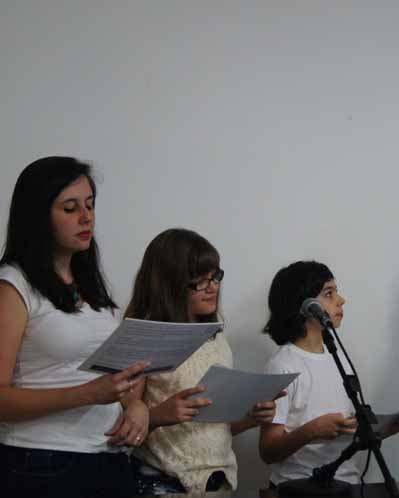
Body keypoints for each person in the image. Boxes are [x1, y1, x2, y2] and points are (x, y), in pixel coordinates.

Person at [0, 156, 150, 496]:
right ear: (38, 216)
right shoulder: (13, 285)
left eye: (90, 205)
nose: (86, 217)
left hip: (108, 457)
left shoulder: (91, 285)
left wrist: (136, 407)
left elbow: (114, 380)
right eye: (70, 208)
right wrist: (85, 394)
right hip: (42, 460)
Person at [125, 228, 280, 494]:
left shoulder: (217, 339)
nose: (212, 287)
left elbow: (215, 427)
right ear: (169, 282)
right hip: (164, 484)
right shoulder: (147, 338)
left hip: (219, 482)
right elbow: (121, 429)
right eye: (199, 280)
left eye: (215, 276)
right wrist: (158, 416)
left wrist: (251, 418)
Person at [260, 260, 399, 486]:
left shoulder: (339, 360)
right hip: (298, 486)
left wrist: (389, 427)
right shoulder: (283, 365)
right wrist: (312, 431)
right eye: (329, 294)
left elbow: (347, 434)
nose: (341, 300)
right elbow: (268, 451)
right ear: (304, 305)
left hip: (346, 484)